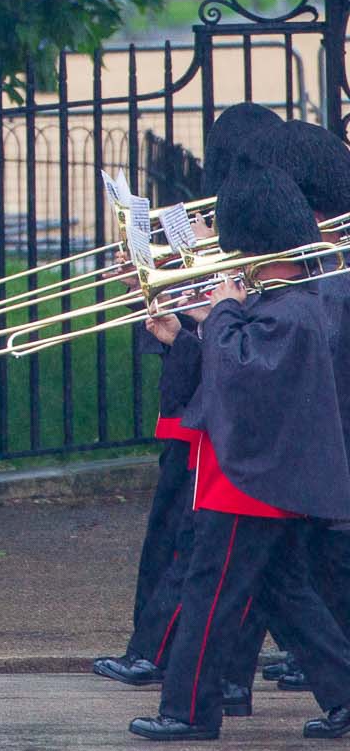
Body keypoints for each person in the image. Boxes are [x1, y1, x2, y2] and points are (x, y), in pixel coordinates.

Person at [129, 154, 350, 741]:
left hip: (250, 482)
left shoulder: (289, 310)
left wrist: (220, 310)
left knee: (209, 591)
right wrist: (190, 331)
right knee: (286, 596)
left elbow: (242, 371)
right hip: (255, 477)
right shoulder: (276, 306)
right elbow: (230, 363)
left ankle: (189, 710)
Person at [95, 102, 287, 687]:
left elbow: (233, 316)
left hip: (213, 403)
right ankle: (211, 668)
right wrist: (147, 280)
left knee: (196, 545)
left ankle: (172, 655)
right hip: (195, 387)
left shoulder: (255, 230)